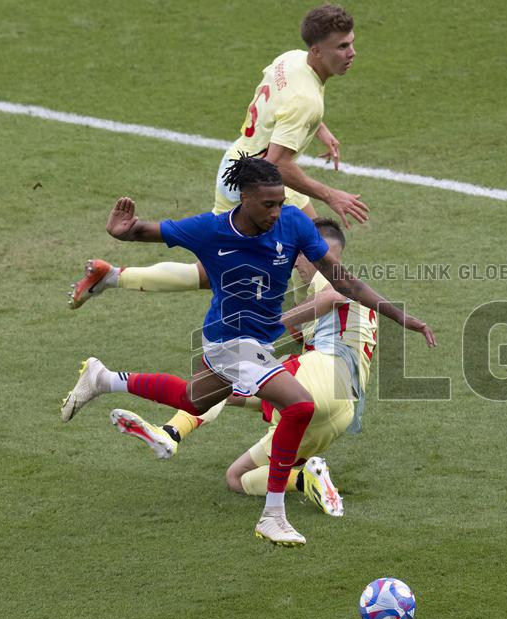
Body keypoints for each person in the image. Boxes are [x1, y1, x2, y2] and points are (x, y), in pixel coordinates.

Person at [61, 156, 435, 547]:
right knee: (301, 405)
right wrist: (122, 231)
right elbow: (141, 231)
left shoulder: (292, 222)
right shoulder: (209, 230)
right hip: (227, 341)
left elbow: (342, 280)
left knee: (193, 399)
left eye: (279, 202)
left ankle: (102, 379)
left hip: (257, 343)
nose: (275, 212)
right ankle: (273, 515)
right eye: (267, 204)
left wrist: (400, 316)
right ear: (244, 197)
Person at [66, 4, 365, 306]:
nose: (351, 52)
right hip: (253, 185)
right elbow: (279, 163)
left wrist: (319, 129)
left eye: (351, 42)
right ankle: (310, 335)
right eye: (341, 46)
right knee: (304, 255)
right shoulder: (307, 101)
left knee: (306, 252)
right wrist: (330, 195)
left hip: (242, 165)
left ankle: (112, 276)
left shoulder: (291, 59)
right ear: (316, 51)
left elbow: (283, 105)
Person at [109, 219, 375, 519]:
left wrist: (271, 323)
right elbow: (318, 325)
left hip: (321, 375)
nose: (294, 260)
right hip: (343, 408)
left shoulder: (331, 274)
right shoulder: (354, 298)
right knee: (237, 478)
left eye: (298, 252)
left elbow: (329, 298)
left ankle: (170, 432)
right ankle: (305, 478)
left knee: (225, 380)